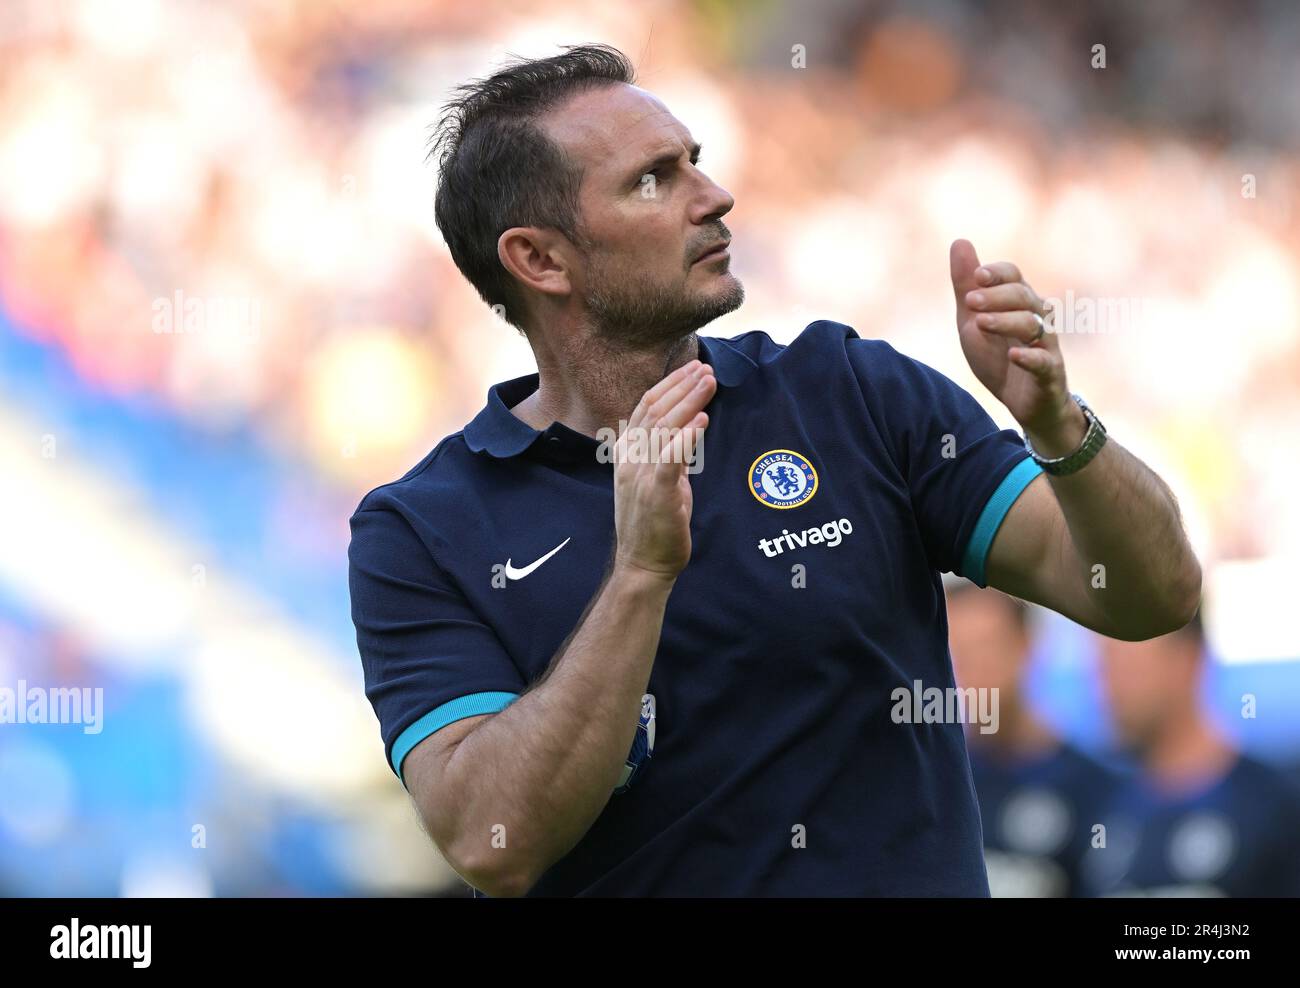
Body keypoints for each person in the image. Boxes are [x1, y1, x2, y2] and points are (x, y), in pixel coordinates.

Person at [347, 44, 1201, 896]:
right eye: (653, 179)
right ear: (540, 260)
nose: (713, 197)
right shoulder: (424, 529)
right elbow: (492, 840)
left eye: (695, 163)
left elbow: (1150, 597)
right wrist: (640, 577)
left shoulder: (852, 390)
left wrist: (1059, 425)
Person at [1095, 612, 1300, 896]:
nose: (1109, 688)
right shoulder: (1100, 805)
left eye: (1126, 666)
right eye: (1102, 666)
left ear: (1187, 660)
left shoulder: (1275, 808)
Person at [946, 579, 1120, 896]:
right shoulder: (941, 782)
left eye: (987, 649)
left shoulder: (1094, 788)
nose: (976, 675)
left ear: (1026, 644)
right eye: (960, 656)